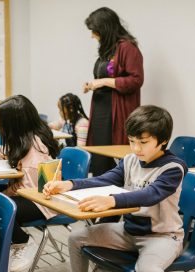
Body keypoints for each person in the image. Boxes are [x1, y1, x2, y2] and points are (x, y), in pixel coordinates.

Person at [45, 106, 187, 272]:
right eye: (132, 141)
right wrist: (69, 184)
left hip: (162, 237)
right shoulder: (130, 160)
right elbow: (105, 179)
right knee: (76, 238)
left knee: (147, 271)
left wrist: (111, 201)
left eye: (143, 142)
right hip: (129, 232)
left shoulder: (174, 167)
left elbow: (150, 195)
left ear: (162, 141)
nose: (136, 148)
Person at [0, 95, 60, 272]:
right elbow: (5, 151)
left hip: (41, 201)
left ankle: (22, 240)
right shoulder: (24, 140)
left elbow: (29, 189)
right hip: (26, 192)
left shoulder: (36, 150)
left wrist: (6, 193)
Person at [83, 7, 144, 176]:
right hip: (101, 109)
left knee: (114, 157)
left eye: (94, 31)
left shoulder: (128, 48)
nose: (92, 35)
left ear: (105, 29)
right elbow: (106, 76)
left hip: (117, 110)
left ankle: (113, 193)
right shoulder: (108, 49)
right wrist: (92, 84)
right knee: (100, 155)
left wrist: (103, 81)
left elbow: (136, 80)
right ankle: (99, 187)